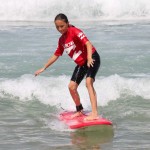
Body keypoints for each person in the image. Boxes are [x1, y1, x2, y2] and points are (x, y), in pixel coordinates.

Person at [35, 13, 100, 121]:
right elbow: (56, 55)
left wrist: (89, 58)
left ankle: (94, 113)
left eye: (62, 26)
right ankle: (79, 110)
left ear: (67, 23)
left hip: (92, 57)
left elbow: (88, 44)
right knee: (71, 87)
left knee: (88, 82)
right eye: (57, 27)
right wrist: (44, 67)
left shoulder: (75, 31)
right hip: (81, 63)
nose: (60, 29)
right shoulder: (61, 40)